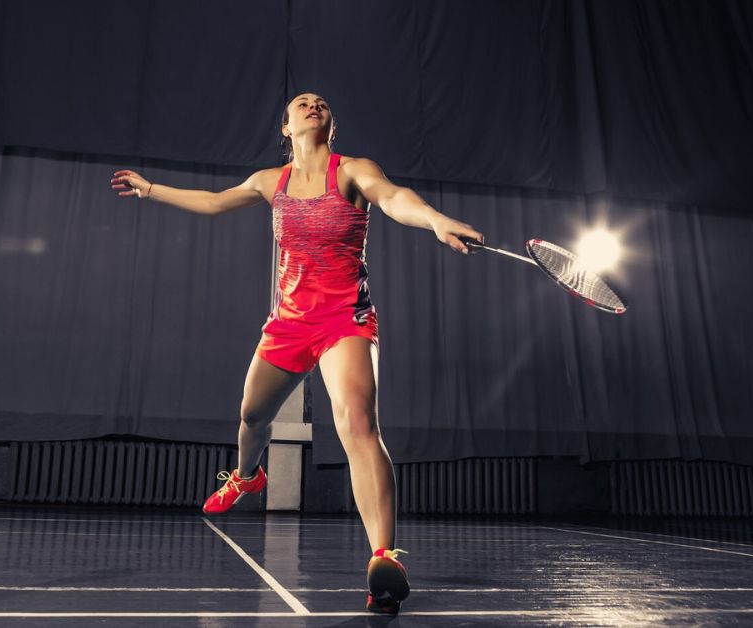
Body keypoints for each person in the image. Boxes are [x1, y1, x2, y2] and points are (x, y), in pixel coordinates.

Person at [110, 92, 484, 614]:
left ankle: (384, 558)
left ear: (331, 122)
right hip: (288, 324)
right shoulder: (270, 181)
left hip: (344, 321)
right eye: (301, 102)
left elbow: (395, 197)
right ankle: (247, 475)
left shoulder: (353, 171)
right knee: (251, 416)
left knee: (357, 423)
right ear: (284, 127)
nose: (312, 104)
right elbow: (215, 201)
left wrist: (435, 219)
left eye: (321, 102)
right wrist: (150, 190)